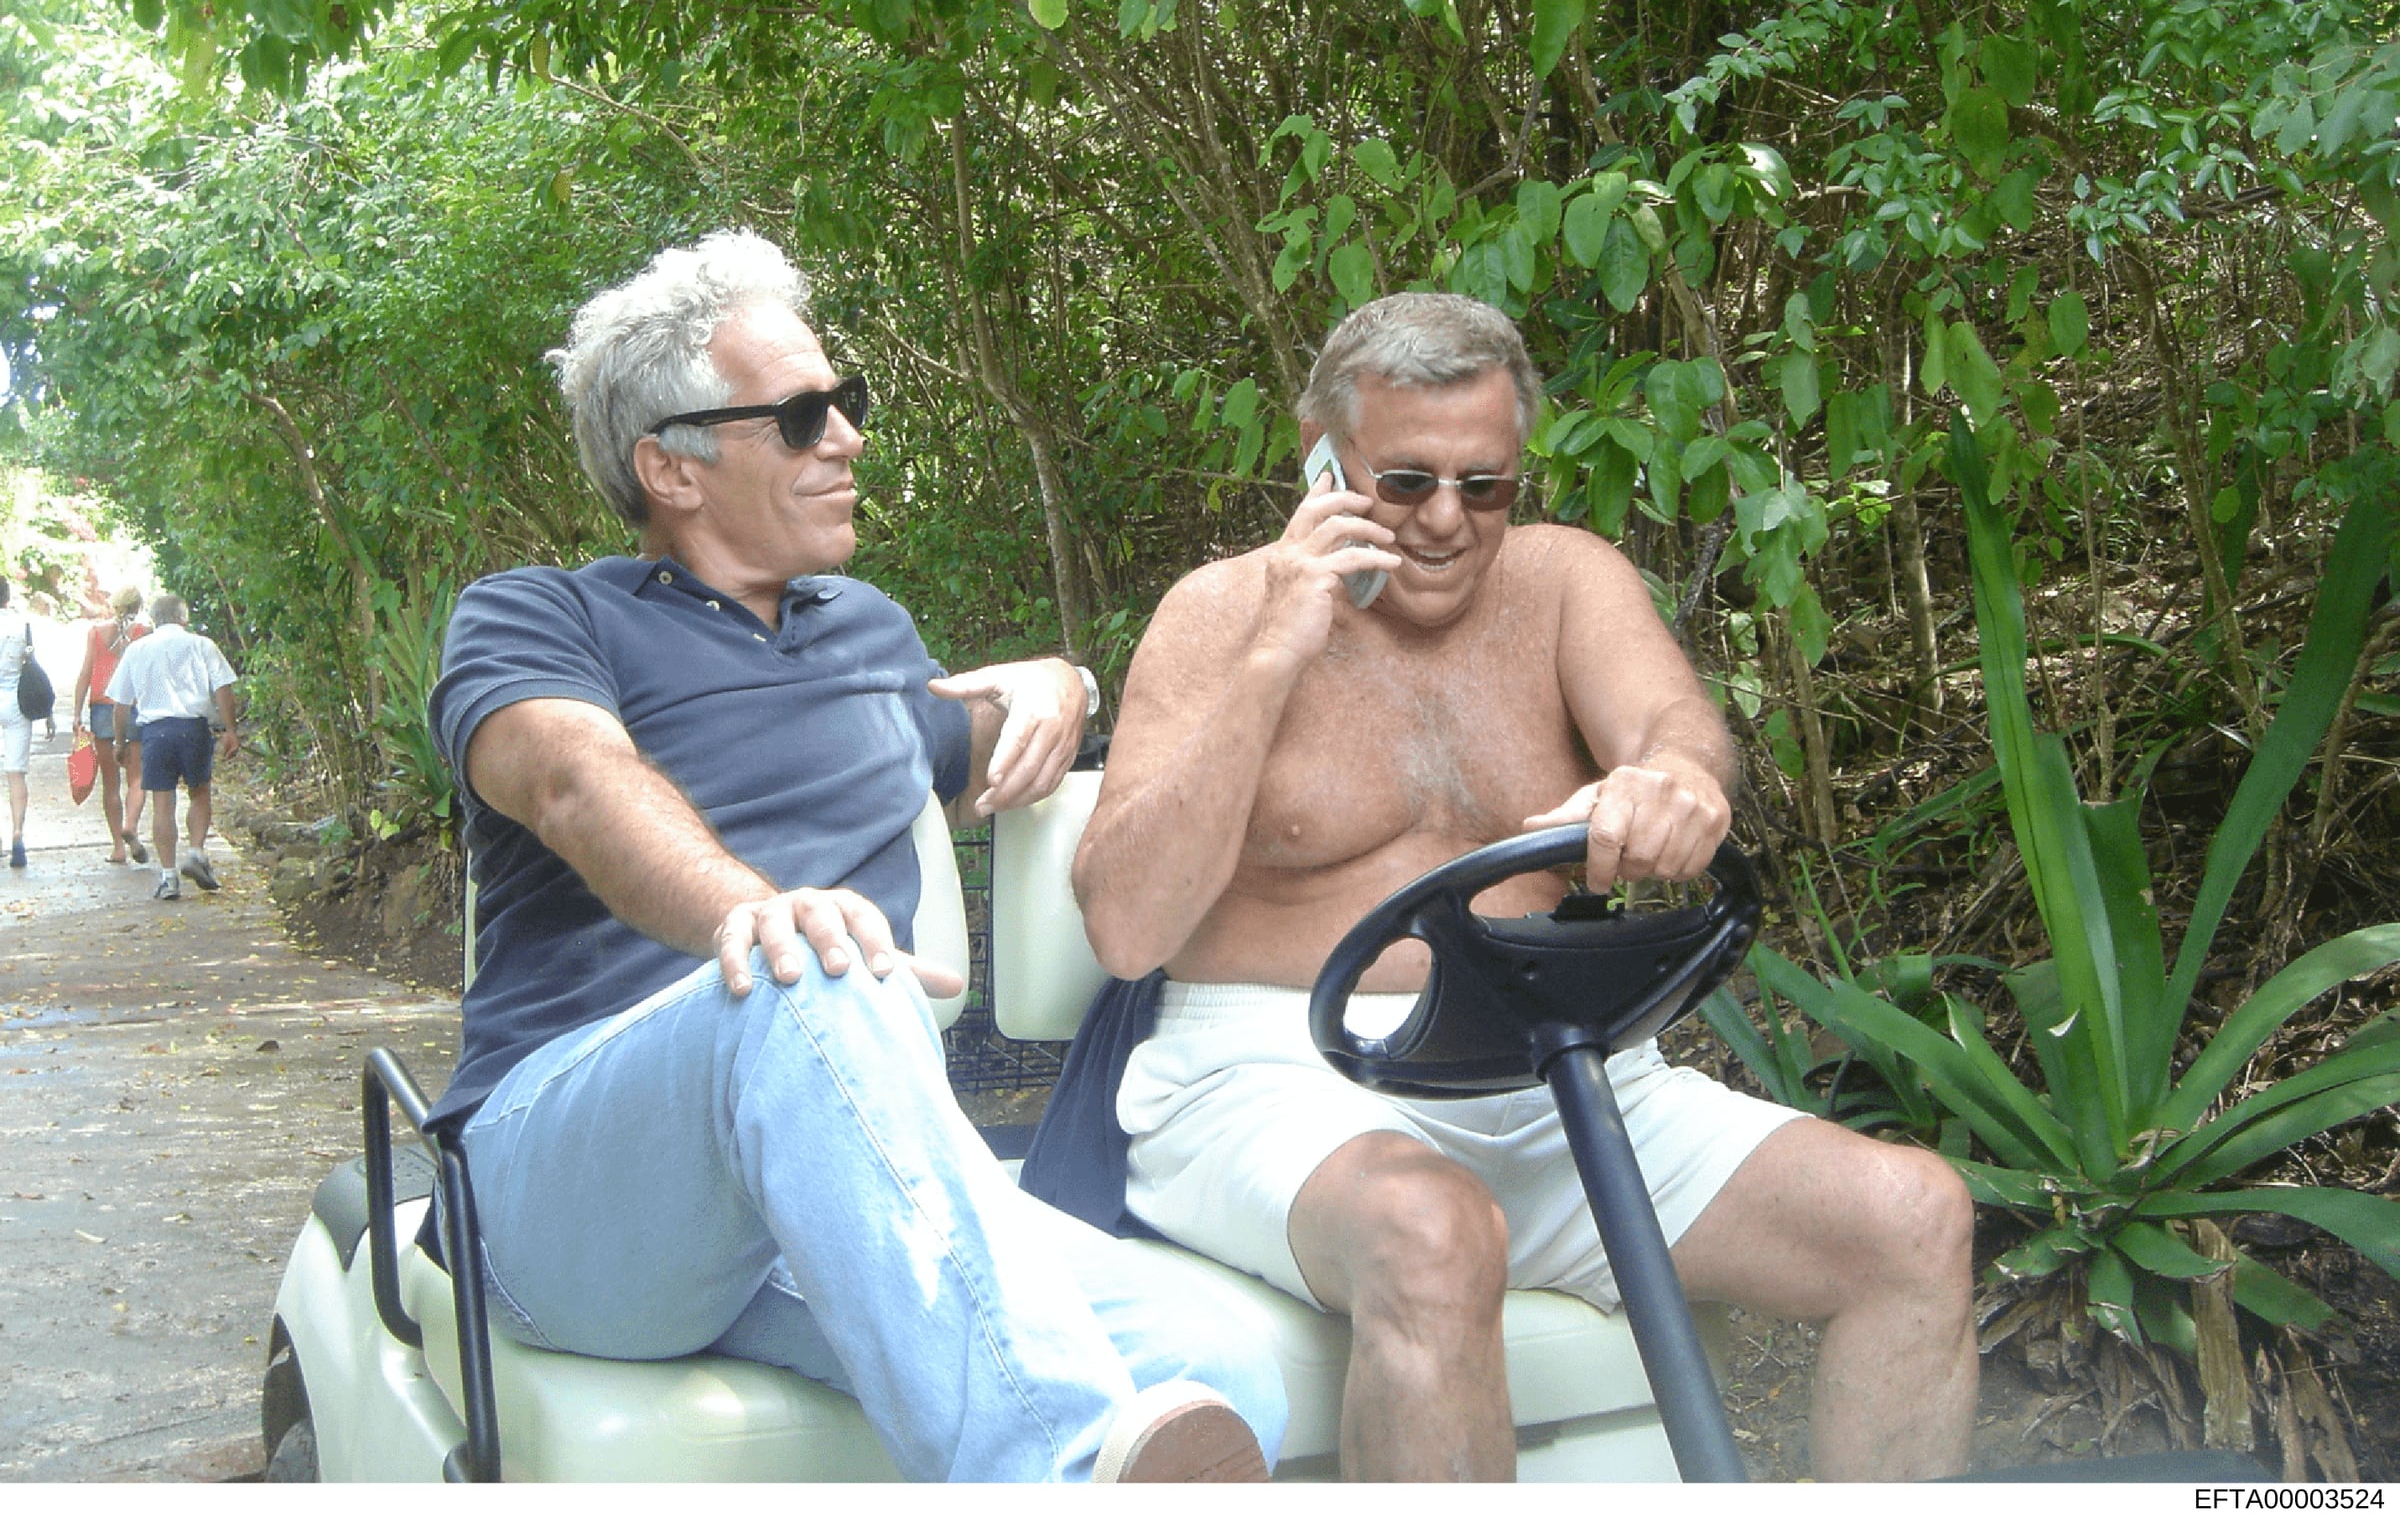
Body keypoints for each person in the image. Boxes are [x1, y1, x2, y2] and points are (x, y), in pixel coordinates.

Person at [1049, 291, 1977, 1481]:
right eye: (1405, 483)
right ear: (1321, 456)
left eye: (1483, 486)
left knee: (1911, 1218)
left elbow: (1667, 722)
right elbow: (1126, 926)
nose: (1446, 521)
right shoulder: (1215, 611)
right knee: (1431, 1228)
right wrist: (1279, 645)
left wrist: (1676, 778)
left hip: (1553, 1065)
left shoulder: (1561, 583)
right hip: (1277, 1076)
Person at [417, 230, 1284, 1483]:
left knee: (1226, 1369)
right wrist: (756, 916)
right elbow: (571, 781)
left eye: (849, 402)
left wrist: (1064, 675)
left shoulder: (868, 634)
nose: (850, 437)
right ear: (672, 465)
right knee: (802, 973)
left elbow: (972, 729)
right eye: (804, 413)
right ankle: (1052, 1472)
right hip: (569, 1175)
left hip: (830, 1178)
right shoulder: (540, 613)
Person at [106, 593, 239, 900]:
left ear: (153, 619)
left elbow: (120, 704)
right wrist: (230, 730)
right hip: (193, 728)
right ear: (184, 618)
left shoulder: (137, 650)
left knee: (163, 803)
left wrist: (120, 741)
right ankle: (194, 853)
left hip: (155, 732)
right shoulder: (202, 645)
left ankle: (168, 878)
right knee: (199, 792)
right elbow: (223, 689)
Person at [71, 587, 152, 865]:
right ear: (139, 605)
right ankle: (131, 824)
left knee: (110, 783)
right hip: (135, 705)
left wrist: (76, 713)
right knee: (137, 777)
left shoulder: (96, 632)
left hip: (102, 707)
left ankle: (118, 846)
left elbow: (85, 673)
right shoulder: (144, 632)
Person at [0, 577, 36, 869]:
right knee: (16, 774)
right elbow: (32, 667)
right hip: (17, 701)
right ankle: (17, 835)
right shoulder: (21, 626)